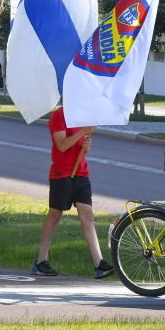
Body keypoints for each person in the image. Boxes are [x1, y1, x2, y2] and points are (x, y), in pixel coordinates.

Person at [33, 106, 114, 279]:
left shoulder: (83, 115)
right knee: (55, 215)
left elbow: (81, 147)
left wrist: (86, 145)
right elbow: (62, 145)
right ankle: (41, 261)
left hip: (81, 172)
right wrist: (82, 132)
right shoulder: (59, 115)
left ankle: (99, 263)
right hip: (61, 173)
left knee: (87, 215)